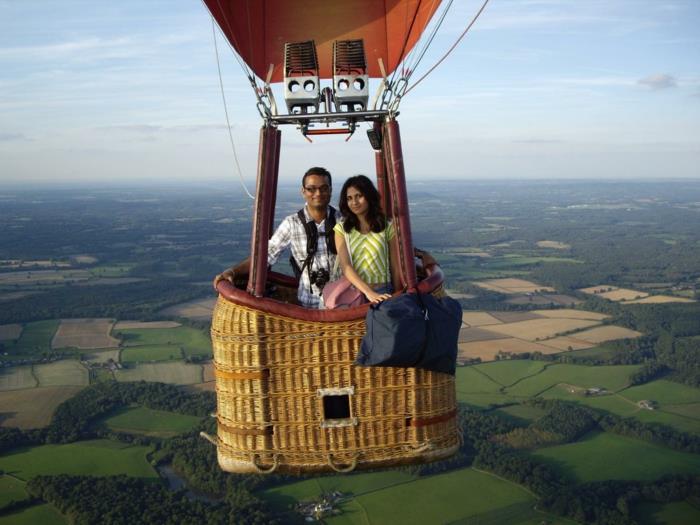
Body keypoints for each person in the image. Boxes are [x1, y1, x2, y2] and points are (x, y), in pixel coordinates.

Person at [213, 167, 339, 308]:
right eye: (311, 189)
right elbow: (264, 257)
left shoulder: (343, 222)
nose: (318, 193)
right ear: (303, 192)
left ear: (330, 190)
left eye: (324, 188)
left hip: (340, 306)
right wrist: (232, 271)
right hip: (308, 307)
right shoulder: (292, 224)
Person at [334, 175, 402, 304]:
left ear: (369, 196)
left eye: (358, 196)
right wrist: (368, 292)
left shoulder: (387, 227)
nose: (354, 202)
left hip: (384, 292)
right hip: (354, 293)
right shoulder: (341, 230)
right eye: (349, 198)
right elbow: (345, 266)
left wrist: (398, 293)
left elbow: (395, 264)